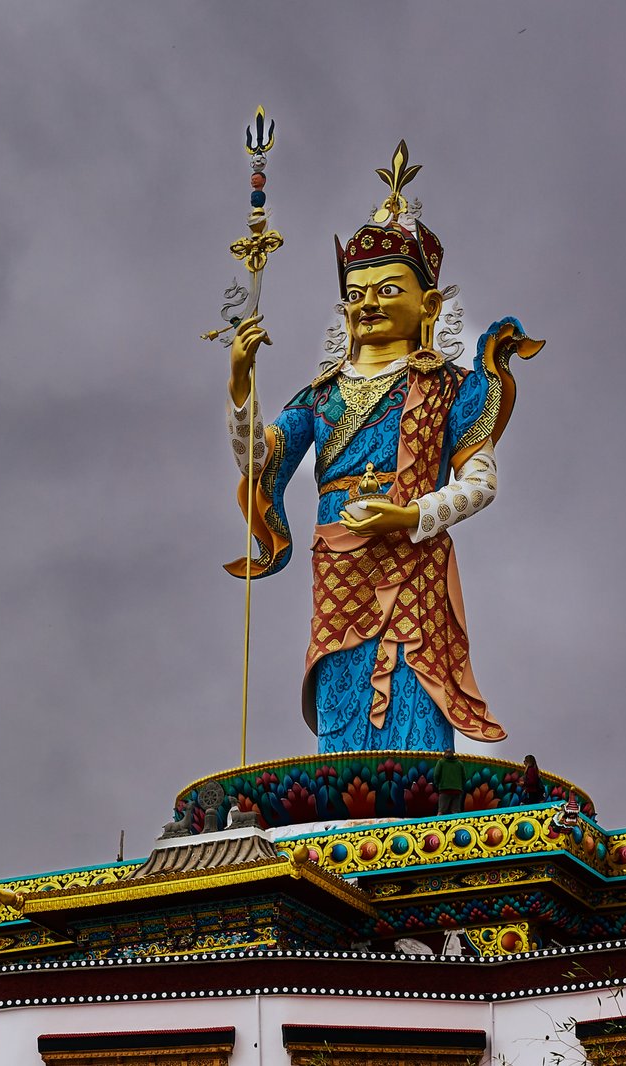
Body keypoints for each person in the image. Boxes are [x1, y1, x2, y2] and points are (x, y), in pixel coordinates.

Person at [226, 144, 542, 754]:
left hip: (413, 560)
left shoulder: (448, 388)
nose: (367, 303)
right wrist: (242, 388)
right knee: (344, 704)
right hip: (339, 565)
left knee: (413, 698)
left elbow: (481, 482)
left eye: (386, 289)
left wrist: (414, 516)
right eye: (356, 293)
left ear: (428, 306)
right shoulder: (319, 398)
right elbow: (261, 465)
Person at [433, 749, 467, 814]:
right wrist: (460, 786)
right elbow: (464, 777)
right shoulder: (459, 764)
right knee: (455, 811)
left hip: (444, 789)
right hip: (457, 790)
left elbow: (436, 774)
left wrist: (437, 784)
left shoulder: (441, 762)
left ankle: (438, 823)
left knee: (441, 811)